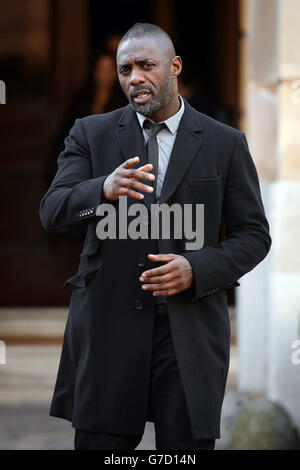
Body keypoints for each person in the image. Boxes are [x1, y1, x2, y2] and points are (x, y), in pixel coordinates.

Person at [39, 23, 271, 450]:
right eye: (125, 69)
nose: (134, 78)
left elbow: (254, 234)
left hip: (188, 333)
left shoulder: (225, 142)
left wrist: (196, 268)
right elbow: (53, 212)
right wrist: (102, 189)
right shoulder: (90, 134)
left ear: (174, 67)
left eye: (146, 66)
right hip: (107, 330)